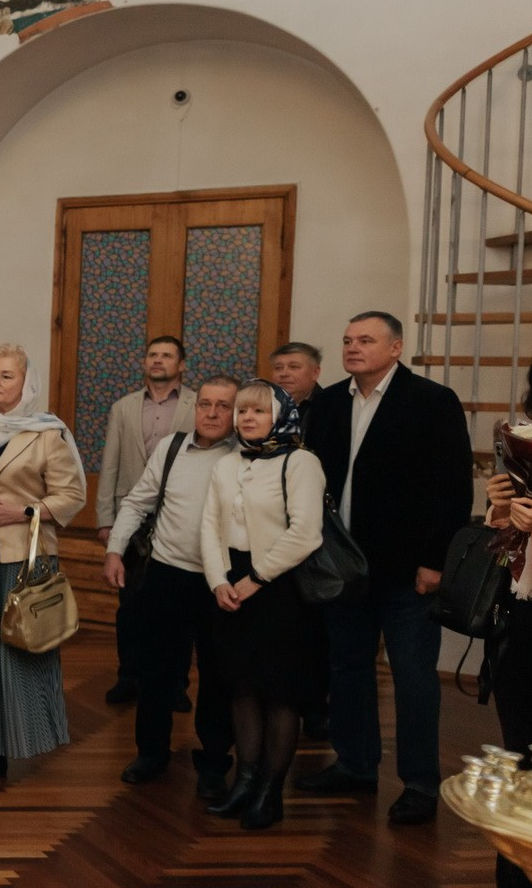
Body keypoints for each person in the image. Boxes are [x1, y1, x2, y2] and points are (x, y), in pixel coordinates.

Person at [296, 311, 473, 825]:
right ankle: (355, 765)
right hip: (341, 564)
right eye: (348, 340)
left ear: (395, 348)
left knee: (414, 675)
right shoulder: (328, 401)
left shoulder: (432, 402)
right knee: (347, 668)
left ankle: (419, 782)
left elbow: (452, 488)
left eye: (366, 340)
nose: (353, 348)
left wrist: (435, 561)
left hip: (408, 570)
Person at [0, 343, 87, 778]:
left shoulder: (47, 434)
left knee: (12, 657)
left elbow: (72, 496)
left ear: (27, 383)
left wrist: (25, 512)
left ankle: (5, 746)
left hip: (21, 561)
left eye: (7, 376)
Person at [103, 376, 240, 794]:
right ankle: (151, 753)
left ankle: (214, 763)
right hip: (166, 574)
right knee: (156, 671)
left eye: (223, 406)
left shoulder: (246, 456)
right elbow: (139, 500)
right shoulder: (172, 447)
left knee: (219, 676)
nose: (213, 413)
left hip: (222, 583)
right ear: (194, 408)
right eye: (206, 405)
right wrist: (114, 549)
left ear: (238, 413)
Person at [200, 382, 325, 830]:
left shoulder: (301, 461)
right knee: (241, 688)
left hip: (281, 588)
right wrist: (218, 580)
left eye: (258, 410)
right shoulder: (227, 463)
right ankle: (244, 782)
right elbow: (209, 526)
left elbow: (306, 533)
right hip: (230, 584)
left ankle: (271, 792)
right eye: (242, 410)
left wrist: (254, 580)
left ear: (281, 414)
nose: (247, 417)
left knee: (280, 693)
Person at [96, 336, 197, 705]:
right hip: (130, 517)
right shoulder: (123, 407)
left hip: (179, 516)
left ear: (181, 365)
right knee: (131, 607)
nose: (158, 360)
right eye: (152, 355)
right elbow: (110, 463)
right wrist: (107, 518)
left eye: (167, 355)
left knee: (176, 609)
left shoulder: (198, 404)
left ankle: (176, 685)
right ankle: (130, 677)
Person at [481, 358, 532, 888]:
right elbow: (502, 536)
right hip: (526, 615)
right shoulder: (523, 436)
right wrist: (500, 506)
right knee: (519, 757)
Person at [270, 339, 329, 741]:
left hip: (319, 533)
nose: (285, 374)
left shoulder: (332, 408)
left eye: (294, 367)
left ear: (315, 372)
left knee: (318, 629)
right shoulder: (265, 409)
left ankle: (317, 708)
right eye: (279, 368)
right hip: (271, 533)